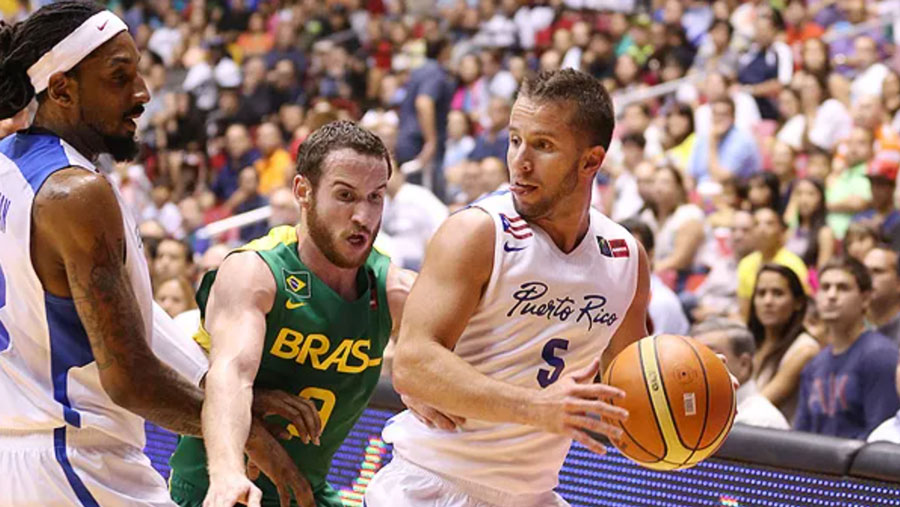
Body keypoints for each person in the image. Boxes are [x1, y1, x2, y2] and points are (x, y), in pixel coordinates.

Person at [0, 4, 301, 505]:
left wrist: (213, 385)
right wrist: (237, 431)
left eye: (139, 72)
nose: (142, 93)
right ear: (61, 89)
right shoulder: (76, 193)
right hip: (74, 461)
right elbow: (131, 378)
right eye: (119, 77)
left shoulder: (10, 165)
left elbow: (127, 313)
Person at [366, 69, 652, 507]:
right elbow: (413, 365)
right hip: (433, 485)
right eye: (515, 139)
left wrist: (690, 385)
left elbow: (632, 389)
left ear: (591, 161)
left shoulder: (624, 256)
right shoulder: (476, 233)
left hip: (532, 496)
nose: (520, 160)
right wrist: (534, 408)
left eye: (543, 145)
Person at [168, 121, 417, 507]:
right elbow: (231, 374)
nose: (363, 216)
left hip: (304, 492)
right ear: (303, 191)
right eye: (345, 196)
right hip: (215, 493)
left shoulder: (392, 288)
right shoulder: (256, 272)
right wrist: (228, 473)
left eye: (375, 197)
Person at [794, 257, 900, 439]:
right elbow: (799, 436)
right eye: (825, 287)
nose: (832, 295)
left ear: (865, 298)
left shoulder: (880, 356)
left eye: (843, 288)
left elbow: (880, 437)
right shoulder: (814, 365)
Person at [747, 264, 820, 420]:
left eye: (777, 293)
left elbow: (760, 405)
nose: (768, 301)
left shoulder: (805, 349)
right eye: (761, 293)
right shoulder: (752, 344)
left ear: (798, 303)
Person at [693, 318, 789, 430]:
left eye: (707, 355)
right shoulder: (697, 410)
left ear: (744, 364)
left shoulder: (761, 422)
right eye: (693, 354)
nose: (696, 363)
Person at [620, 218, 689, 335]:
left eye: (631, 251)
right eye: (618, 251)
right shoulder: (608, 294)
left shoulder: (661, 302)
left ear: (650, 255)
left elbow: (652, 353)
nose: (623, 258)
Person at [737, 207, 808, 318]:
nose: (762, 229)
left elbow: (803, 306)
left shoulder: (793, 264)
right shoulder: (745, 264)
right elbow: (744, 310)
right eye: (757, 224)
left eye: (769, 224)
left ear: (780, 231)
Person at [863, 247, 900, 344]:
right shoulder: (848, 325)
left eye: (877, 271)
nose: (868, 278)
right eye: (865, 272)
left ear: (898, 283)